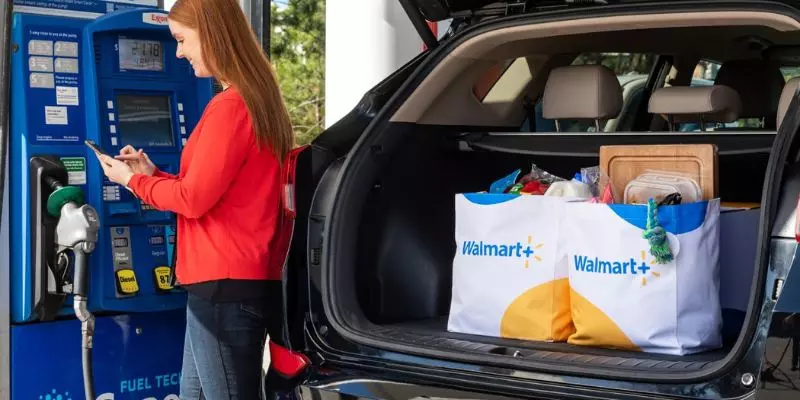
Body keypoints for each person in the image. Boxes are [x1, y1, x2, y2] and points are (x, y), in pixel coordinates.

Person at [95, 0, 295, 398]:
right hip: (232, 283)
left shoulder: (229, 107)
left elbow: (192, 200)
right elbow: (219, 190)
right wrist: (155, 176)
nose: (180, 52)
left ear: (213, 34)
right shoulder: (258, 102)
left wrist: (131, 181)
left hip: (222, 288)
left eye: (183, 40)